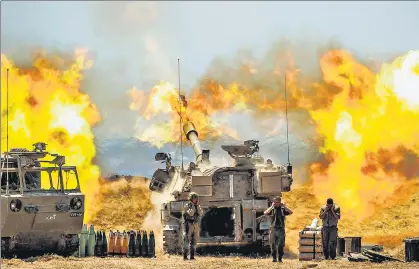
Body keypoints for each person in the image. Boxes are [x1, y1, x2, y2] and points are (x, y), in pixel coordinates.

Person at [264, 196, 293, 262]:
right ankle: (274, 258)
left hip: (281, 229)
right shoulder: (272, 209)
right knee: (273, 244)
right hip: (273, 229)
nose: (277, 203)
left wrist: (284, 206)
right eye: (276, 202)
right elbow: (265, 213)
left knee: (281, 245)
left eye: (278, 202)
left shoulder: (282, 209)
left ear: (280, 202)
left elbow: (291, 212)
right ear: (273, 202)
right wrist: (271, 207)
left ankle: (280, 258)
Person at [183, 192, 203, 260]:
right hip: (189, 224)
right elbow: (191, 213)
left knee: (194, 240)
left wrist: (197, 206)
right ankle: (185, 256)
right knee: (187, 240)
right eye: (194, 198)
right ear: (191, 198)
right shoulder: (187, 205)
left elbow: (201, 213)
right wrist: (194, 206)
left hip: (195, 224)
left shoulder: (197, 205)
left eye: (196, 198)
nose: (195, 199)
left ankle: (192, 256)